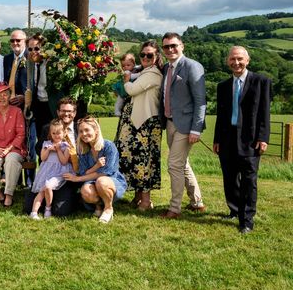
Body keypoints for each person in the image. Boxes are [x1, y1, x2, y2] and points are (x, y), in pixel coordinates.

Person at [214, 46, 271, 234]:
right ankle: (234, 210)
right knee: (229, 179)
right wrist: (217, 140)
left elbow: (264, 112)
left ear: (247, 60)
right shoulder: (222, 86)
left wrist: (263, 137)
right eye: (232, 59)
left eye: (240, 59)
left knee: (248, 180)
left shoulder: (261, 81)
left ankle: (246, 220)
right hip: (227, 139)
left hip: (250, 140)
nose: (236, 62)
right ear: (227, 62)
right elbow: (221, 116)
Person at [159, 32, 206, 219]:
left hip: (186, 126)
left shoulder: (193, 66)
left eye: (173, 45)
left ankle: (174, 209)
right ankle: (197, 202)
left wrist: (196, 128)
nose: (170, 49)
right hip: (170, 123)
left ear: (182, 46)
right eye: (166, 47)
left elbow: (200, 100)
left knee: (174, 165)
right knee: (182, 164)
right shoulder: (166, 68)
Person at [115, 41, 163, 211]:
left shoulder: (153, 73)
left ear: (157, 57)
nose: (145, 58)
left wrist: (126, 80)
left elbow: (132, 90)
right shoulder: (144, 72)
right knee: (134, 160)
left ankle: (145, 201)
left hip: (145, 125)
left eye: (149, 55)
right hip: (136, 123)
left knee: (144, 162)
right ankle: (137, 197)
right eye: (143, 54)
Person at [63, 117, 127, 224]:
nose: (84, 134)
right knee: (86, 191)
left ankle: (108, 208)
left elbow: (106, 172)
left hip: (111, 180)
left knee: (101, 181)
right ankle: (98, 206)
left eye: (87, 130)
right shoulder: (83, 149)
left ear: (96, 130)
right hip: (92, 180)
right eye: (81, 131)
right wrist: (97, 166)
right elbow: (84, 172)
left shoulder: (108, 146)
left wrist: (77, 179)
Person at [24, 98, 81, 217]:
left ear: (74, 113)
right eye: (63, 110)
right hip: (49, 172)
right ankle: (45, 201)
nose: (66, 114)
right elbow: (39, 148)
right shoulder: (48, 128)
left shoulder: (80, 129)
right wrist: (50, 151)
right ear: (57, 112)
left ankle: (71, 197)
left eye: (70, 111)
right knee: (28, 207)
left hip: (69, 175)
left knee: (60, 211)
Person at [29, 119, 74, 220]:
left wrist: (58, 150)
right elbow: (42, 158)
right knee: (41, 191)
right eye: (53, 133)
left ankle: (48, 208)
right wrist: (48, 150)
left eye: (58, 133)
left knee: (48, 186)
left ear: (64, 132)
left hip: (58, 173)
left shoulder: (65, 146)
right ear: (50, 133)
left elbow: (64, 161)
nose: (56, 135)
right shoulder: (46, 144)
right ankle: (34, 212)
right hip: (46, 172)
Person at [25, 33, 53, 162]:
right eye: (30, 49)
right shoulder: (31, 63)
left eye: (36, 48)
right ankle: (43, 169)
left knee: (49, 140)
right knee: (41, 141)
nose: (33, 52)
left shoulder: (52, 64)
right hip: (38, 106)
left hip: (51, 106)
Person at [3, 29, 28, 108]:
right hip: (9, 103)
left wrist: (25, 97)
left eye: (18, 40)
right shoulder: (7, 59)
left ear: (25, 41)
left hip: (26, 104)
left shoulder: (30, 57)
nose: (15, 43)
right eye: (12, 41)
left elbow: (35, 82)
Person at [112, 53, 142, 117]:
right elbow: (132, 76)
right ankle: (117, 110)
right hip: (123, 90)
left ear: (133, 64)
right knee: (119, 100)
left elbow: (139, 66)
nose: (125, 67)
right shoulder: (127, 72)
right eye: (123, 66)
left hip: (130, 91)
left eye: (128, 65)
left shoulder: (135, 69)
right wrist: (141, 73)